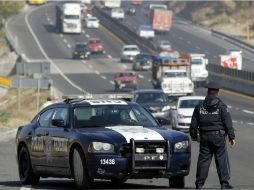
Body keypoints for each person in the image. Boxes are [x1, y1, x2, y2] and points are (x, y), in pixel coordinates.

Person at [189, 81, 236, 189]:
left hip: (204, 137)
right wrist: (231, 137)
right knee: (221, 160)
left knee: (203, 161)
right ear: (217, 92)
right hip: (218, 137)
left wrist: (194, 136)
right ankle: (224, 184)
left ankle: (199, 184)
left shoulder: (199, 106)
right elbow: (227, 122)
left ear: (207, 91)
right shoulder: (222, 106)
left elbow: (193, 124)